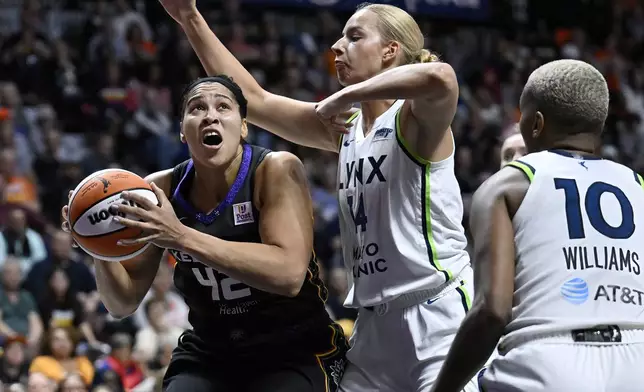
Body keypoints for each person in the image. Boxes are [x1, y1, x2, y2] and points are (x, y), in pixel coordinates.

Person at [159, 1, 478, 391]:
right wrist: (190, 17)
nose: (336, 46)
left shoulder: (414, 120)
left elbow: (441, 77)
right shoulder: (345, 128)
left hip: (437, 313)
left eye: (354, 36)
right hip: (375, 325)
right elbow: (255, 102)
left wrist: (345, 97)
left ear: (390, 51)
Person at [61, 76, 348, 392]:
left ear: (242, 127)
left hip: (294, 344)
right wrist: (100, 246)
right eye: (197, 107)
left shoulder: (276, 169)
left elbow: (289, 274)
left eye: (223, 106)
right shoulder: (159, 189)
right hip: (213, 349)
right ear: (183, 131)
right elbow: (122, 302)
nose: (210, 115)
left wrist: (180, 235)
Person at [430, 59, 644, 392]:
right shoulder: (638, 186)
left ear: (536, 123)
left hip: (547, 360)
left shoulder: (507, 185)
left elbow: (492, 313)